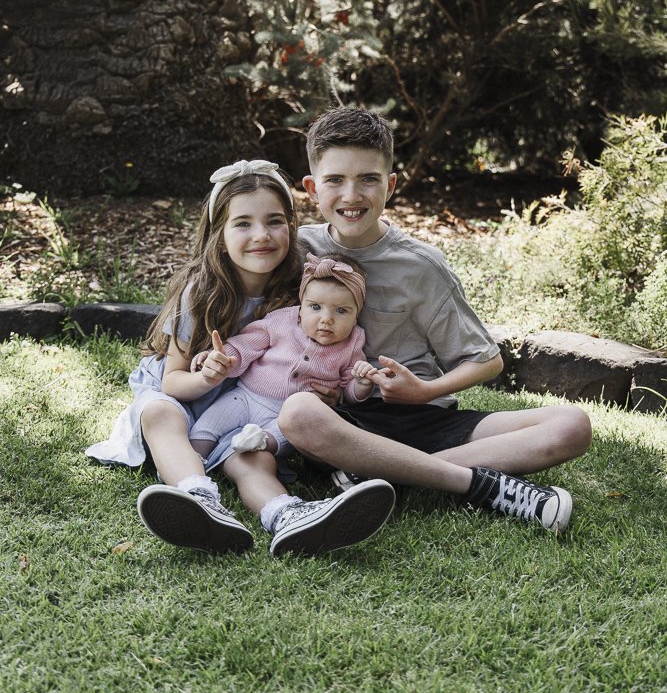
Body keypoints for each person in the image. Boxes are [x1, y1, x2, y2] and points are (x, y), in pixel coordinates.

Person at [278, 108, 593, 532]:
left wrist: (424, 391)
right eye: (335, 180)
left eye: (368, 179)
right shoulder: (299, 249)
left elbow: (487, 361)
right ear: (312, 188)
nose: (351, 195)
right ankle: (475, 484)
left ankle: (379, 476)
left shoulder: (422, 265)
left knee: (572, 425)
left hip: (420, 418)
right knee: (299, 413)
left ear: (390, 185)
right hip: (344, 422)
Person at [86, 160, 395, 557]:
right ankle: (197, 497)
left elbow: (324, 359)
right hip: (188, 398)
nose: (261, 235)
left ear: (291, 227)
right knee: (159, 413)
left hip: (257, 407)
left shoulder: (304, 289)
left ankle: (285, 515)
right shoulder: (201, 292)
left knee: (252, 458)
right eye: (243, 223)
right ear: (219, 235)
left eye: (275, 221)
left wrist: (332, 392)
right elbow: (172, 383)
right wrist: (207, 378)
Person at [188, 253, 374, 463]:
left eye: (341, 311)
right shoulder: (281, 320)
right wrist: (222, 358)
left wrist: (361, 384)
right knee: (208, 424)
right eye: (315, 307)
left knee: (284, 437)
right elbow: (244, 345)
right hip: (246, 397)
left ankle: (258, 443)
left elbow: (348, 387)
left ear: (356, 315)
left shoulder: (353, 341)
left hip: (290, 417)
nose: (326, 319)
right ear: (301, 306)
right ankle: (191, 459)